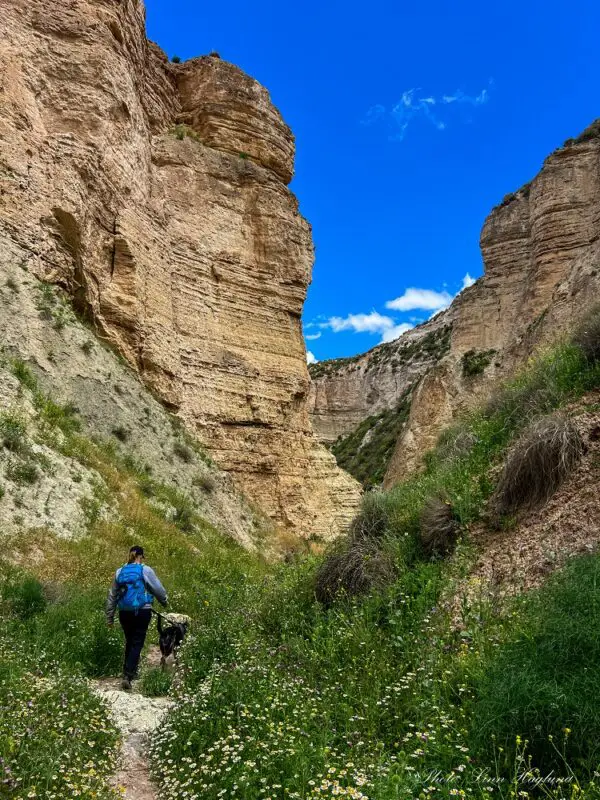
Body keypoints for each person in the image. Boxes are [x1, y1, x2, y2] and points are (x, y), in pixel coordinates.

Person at [106, 545, 168, 690]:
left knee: (130, 640)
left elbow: (112, 595)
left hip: (124, 612)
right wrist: (164, 601)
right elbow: (157, 588)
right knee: (137, 641)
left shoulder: (119, 571)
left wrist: (110, 616)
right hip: (142, 611)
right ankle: (128, 674)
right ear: (141, 556)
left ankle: (128, 671)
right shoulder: (145, 570)